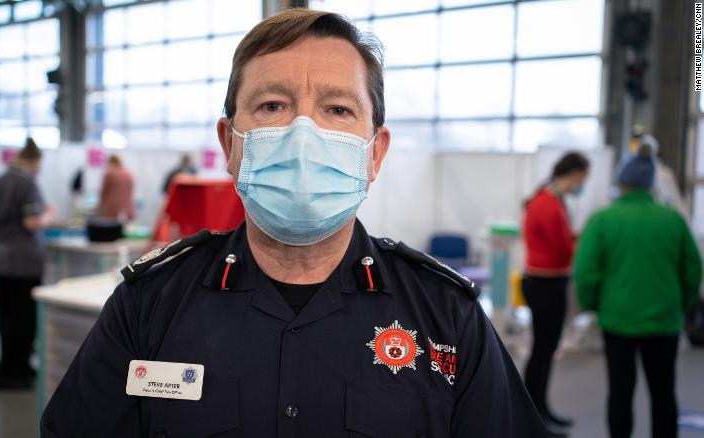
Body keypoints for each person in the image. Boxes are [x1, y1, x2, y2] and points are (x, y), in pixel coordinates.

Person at [41, 9, 548, 437]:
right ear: (229, 145)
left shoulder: (446, 318)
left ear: (375, 153)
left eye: (337, 109)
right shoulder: (149, 303)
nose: (302, 133)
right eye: (271, 106)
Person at [575, 146, 702, 438]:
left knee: (620, 393)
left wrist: (593, 305)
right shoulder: (673, 220)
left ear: (620, 182)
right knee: (663, 392)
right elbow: (694, 270)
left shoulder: (602, 220)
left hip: (617, 320)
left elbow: (585, 273)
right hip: (664, 321)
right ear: (650, 183)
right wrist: (680, 305)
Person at [521, 151, 590, 436]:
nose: (583, 184)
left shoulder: (550, 199)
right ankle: (534, 414)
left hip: (546, 282)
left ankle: (541, 409)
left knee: (545, 350)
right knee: (542, 350)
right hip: (546, 284)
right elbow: (561, 249)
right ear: (574, 174)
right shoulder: (548, 204)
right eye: (583, 178)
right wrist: (586, 244)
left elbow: (559, 242)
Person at [0, 138, 53, 390]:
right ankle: (17, 373)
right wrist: (49, 215)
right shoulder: (27, 184)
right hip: (22, 261)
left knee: (6, 317)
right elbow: (31, 222)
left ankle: (9, 368)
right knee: (24, 319)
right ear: (33, 161)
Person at [97, 154, 135, 221]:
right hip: (127, 209)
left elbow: (103, 192)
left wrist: (100, 207)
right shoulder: (129, 174)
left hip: (111, 210)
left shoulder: (110, 173)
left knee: (111, 230)